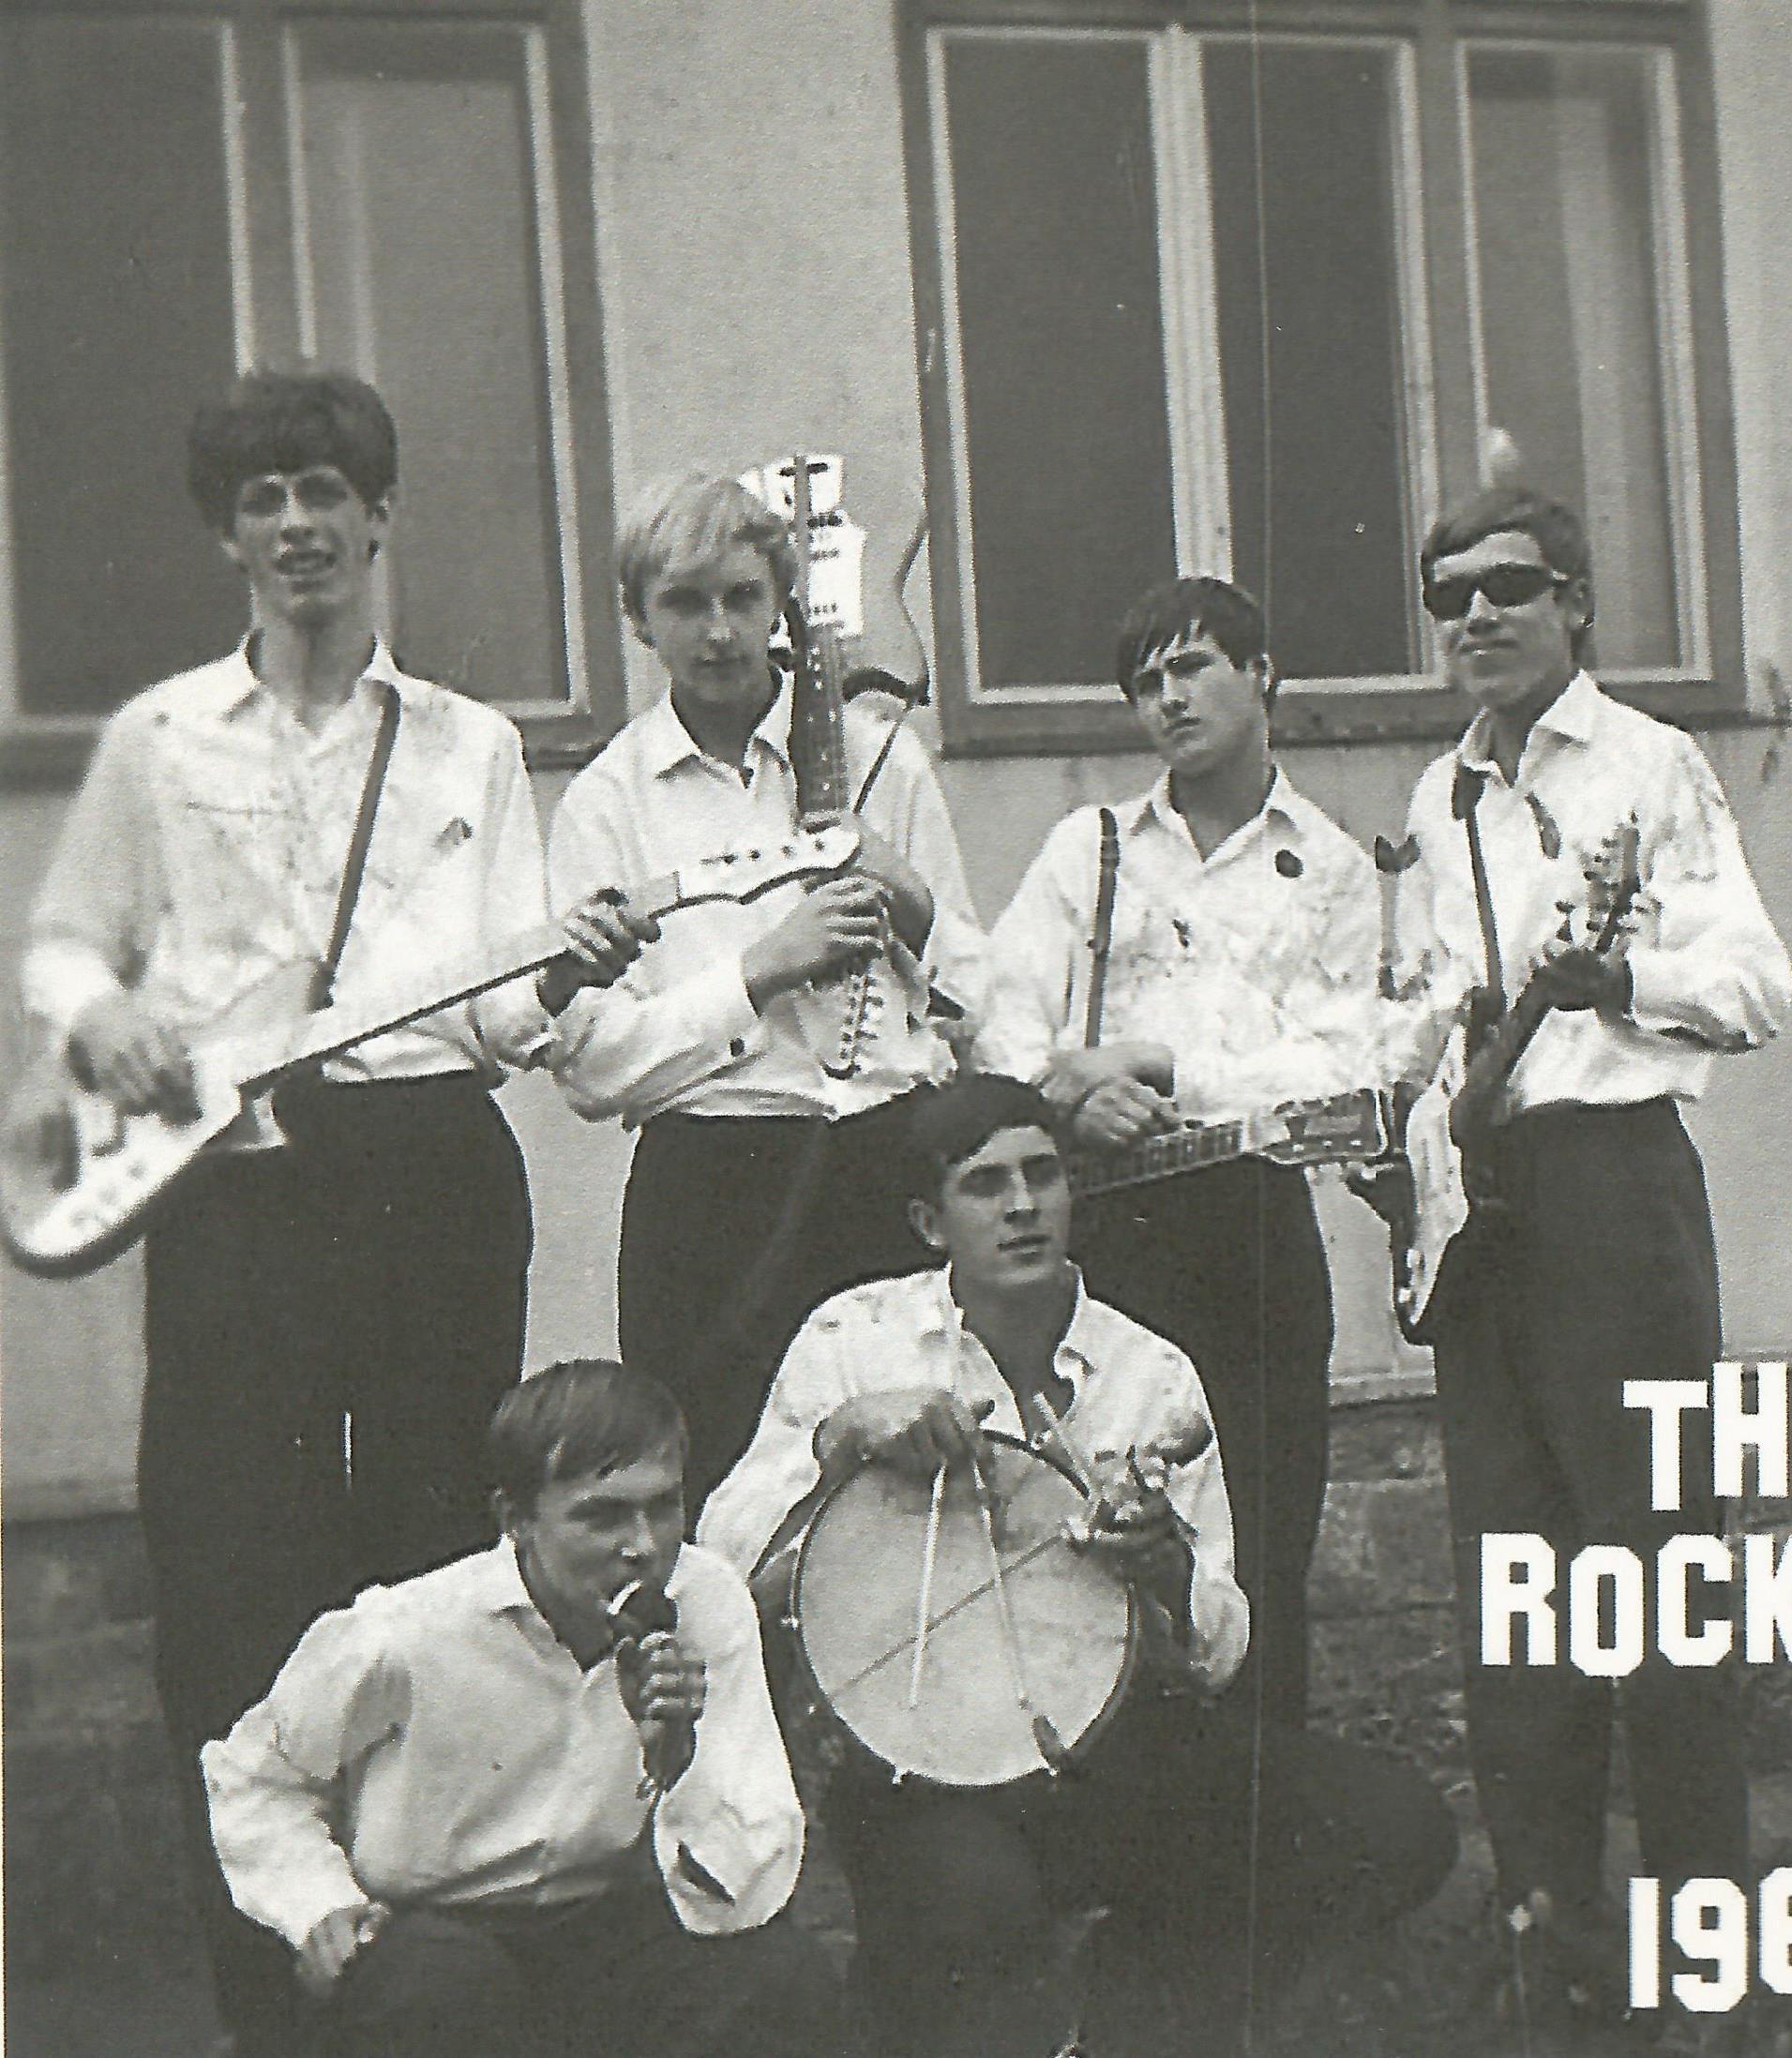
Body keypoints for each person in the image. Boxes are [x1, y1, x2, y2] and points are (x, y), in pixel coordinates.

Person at [19, 368, 646, 2056]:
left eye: (326, 492)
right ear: (227, 534)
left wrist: (569, 970)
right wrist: (103, 1015)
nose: (298, 525)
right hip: (238, 1191)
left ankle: (437, 1987)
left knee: (441, 1565)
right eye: (264, 498)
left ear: (379, 517)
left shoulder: (470, 743)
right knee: (236, 1571)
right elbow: (66, 940)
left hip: (431, 1171)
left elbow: (505, 1013)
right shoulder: (161, 740)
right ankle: (273, 1993)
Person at [700, 1074, 1454, 2058]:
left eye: (1043, 1175)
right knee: (976, 1914)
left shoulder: (1150, 1368)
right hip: (920, 1759)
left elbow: (1221, 1647)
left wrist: (1167, 1567)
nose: (1022, 1205)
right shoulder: (854, 1338)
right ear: (930, 1222)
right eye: (986, 1184)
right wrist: (839, 1440)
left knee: (1400, 1828)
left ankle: (1135, 2000)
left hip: (1113, 1743)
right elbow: (726, 1558)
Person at [1391, 484, 1792, 2036]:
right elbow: (1430, 1014)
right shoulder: (1441, 798)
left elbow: (1753, 981)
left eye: (1509, 586)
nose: (1479, 617)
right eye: (1450, 597)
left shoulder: (1652, 765)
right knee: (1519, 1611)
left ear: (1576, 602)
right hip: (1484, 1217)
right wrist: (1402, 1145)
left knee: (1660, 1591)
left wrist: (1618, 975)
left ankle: (1709, 1967)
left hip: (1615, 1203)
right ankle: (1551, 1954)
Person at [975, 577, 1383, 1730]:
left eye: (1193, 666)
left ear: (1263, 675)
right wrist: (1068, 1097)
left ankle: (1261, 1817)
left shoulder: (1331, 867)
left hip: (1251, 1231)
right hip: (1110, 1231)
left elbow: (1340, 1065)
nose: (1169, 697)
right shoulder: (1091, 848)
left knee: (1259, 1538)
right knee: (1096, 1536)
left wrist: (1155, 1065)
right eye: (1146, 681)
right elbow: (1002, 1015)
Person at [547, 470, 984, 1512]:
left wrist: (910, 901)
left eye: (743, 597)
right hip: (715, 1188)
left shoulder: (879, 760)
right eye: (685, 603)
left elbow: (981, 996)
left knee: (911, 1496)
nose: (719, 631)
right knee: (722, 1495)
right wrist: (757, 972)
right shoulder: (608, 801)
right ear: (639, 620)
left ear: (783, 600)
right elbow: (589, 1065)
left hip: (888, 1166)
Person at [202, 1359, 837, 2058]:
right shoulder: (408, 1631)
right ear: (517, 1520)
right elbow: (255, 1777)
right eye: (602, 1516)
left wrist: (678, 1761)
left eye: (663, 1506)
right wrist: (321, 1906)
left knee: (781, 1978)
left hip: (606, 1922)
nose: (645, 1546)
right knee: (443, 1989)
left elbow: (747, 1882)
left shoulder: (705, 1600)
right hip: (437, 1928)